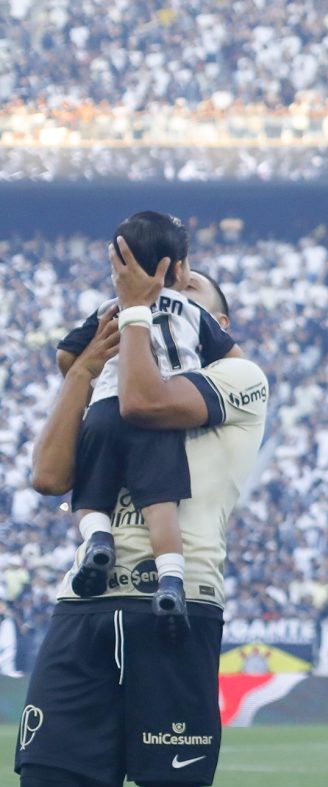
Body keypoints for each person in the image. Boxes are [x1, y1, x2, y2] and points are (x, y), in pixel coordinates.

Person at [18, 258, 268, 787]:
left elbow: (144, 402)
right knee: (44, 775)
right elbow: (49, 477)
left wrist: (134, 312)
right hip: (86, 597)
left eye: (186, 290)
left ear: (218, 324)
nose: (165, 291)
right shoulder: (111, 377)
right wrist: (82, 370)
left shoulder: (241, 377)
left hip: (179, 595)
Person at [56, 215, 237, 618]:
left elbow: (66, 357)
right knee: (160, 506)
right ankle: (171, 579)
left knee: (87, 496)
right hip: (162, 413)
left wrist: (89, 368)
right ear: (179, 268)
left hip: (104, 406)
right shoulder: (193, 311)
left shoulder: (110, 307)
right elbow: (236, 362)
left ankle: (99, 540)